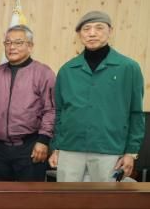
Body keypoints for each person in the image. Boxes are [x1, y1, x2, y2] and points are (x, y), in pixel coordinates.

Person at [49, 11, 145, 181]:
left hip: (109, 149)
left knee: (105, 197)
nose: (92, 33)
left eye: (99, 28)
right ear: (79, 34)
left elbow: (136, 113)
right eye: (86, 29)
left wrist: (131, 152)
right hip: (70, 148)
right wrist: (56, 147)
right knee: (67, 196)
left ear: (110, 31)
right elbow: (59, 111)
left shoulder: (129, 68)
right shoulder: (67, 70)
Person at [0, 25, 55, 181]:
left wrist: (43, 141)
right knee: (0, 194)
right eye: (8, 42)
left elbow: (51, 110)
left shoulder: (43, 73)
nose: (12, 47)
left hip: (30, 146)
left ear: (30, 46)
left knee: (29, 195)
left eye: (18, 42)